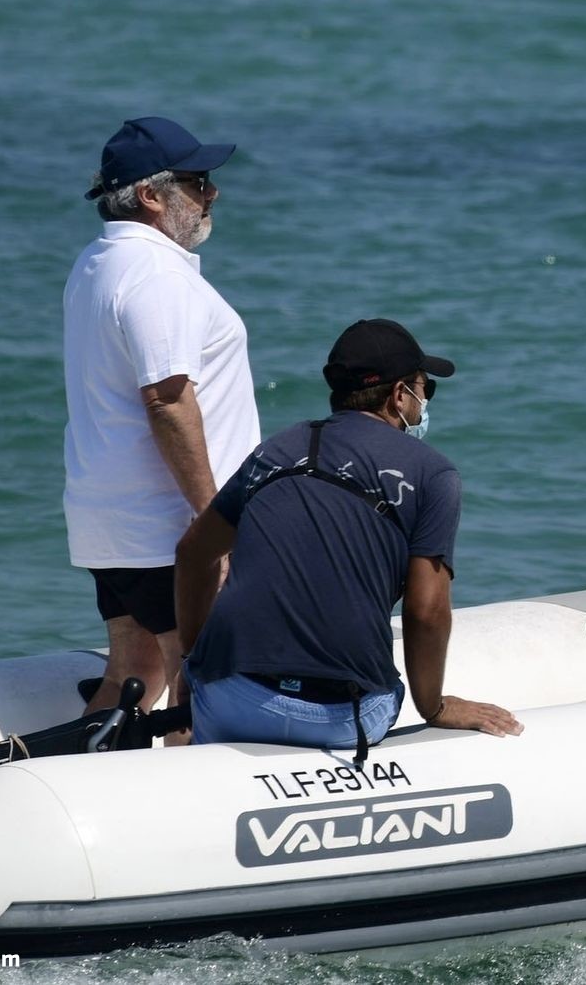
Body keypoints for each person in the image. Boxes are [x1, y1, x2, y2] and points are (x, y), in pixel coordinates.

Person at [175, 318, 521, 753]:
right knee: (385, 687)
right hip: (342, 715)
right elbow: (427, 611)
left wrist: (191, 661)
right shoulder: (432, 474)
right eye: (426, 389)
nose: (425, 402)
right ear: (400, 395)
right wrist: (434, 707)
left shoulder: (273, 451)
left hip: (233, 697)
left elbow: (193, 554)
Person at [64, 117, 259, 717]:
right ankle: (180, 772)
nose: (212, 194)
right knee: (197, 680)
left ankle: (86, 765)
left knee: (135, 669)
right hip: (167, 528)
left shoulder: (97, 263)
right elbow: (168, 401)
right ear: (151, 196)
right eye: (197, 182)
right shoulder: (157, 276)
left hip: (110, 517)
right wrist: (212, 524)